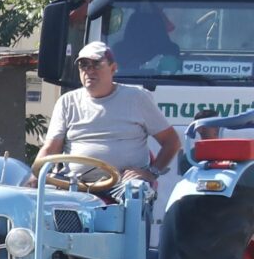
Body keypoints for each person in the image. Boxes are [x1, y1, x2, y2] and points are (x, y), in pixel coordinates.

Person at [34, 41, 181, 188]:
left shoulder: (136, 97)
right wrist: (33, 176)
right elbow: (51, 148)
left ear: (113, 68)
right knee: (42, 197)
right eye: (84, 65)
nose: (89, 70)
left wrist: (151, 172)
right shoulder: (67, 102)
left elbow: (172, 142)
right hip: (74, 184)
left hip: (124, 185)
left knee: (135, 191)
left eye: (96, 64)